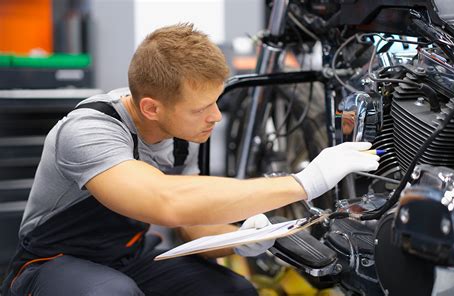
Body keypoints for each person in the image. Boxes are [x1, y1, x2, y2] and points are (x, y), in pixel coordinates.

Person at [2, 23, 379, 296]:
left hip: (127, 254)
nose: (215, 116)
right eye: (202, 108)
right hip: (49, 264)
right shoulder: (88, 131)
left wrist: (243, 239)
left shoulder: (185, 132)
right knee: (110, 293)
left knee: (233, 290)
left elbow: (192, 227)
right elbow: (165, 201)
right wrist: (305, 182)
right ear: (151, 107)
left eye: (216, 101)